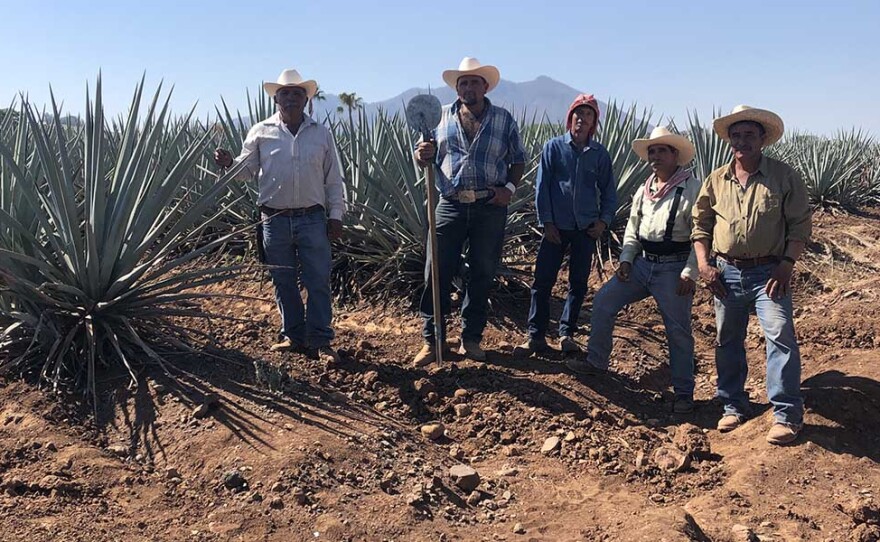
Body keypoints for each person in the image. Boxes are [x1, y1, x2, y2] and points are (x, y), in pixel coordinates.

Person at [692, 105, 812, 445]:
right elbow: (700, 225)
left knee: (779, 334)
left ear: (762, 139)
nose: (742, 141)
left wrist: (787, 263)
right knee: (727, 340)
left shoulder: (783, 176)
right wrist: (704, 264)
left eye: (749, 135)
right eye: (736, 135)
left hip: (769, 273)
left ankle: (787, 415)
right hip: (726, 272)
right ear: (729, 140)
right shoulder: (716, 180)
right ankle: (733, 405)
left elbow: (800, 224)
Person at [214, 69, 345, 362]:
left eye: (297, 93)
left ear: (305, 98)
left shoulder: (321, 134)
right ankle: (293, 335)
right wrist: (228, 164)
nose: (290, 98)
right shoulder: (261, 131)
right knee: (283, 280)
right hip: (273, 219)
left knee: (318, 280)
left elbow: (333, 178)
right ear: (276, 99)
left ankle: (321, 339)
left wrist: (336, 214)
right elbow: (245, 172)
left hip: (313, 217)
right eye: (284, 93)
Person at [567, 127, 699, 414]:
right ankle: (596, 362)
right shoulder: (644, 190)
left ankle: (684, 392)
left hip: (673, 268)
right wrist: (626, 259)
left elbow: (701, 236)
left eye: (661, 150)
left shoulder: (692, 188)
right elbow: (632, 229)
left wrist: (690, 272)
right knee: (603, 301)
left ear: (675, 155)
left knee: (677, 331)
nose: (655, 156)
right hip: (642, 265)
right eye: (652, 151)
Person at [412, 57, 527, 366]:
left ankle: (471, 338)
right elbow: (423, 159)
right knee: (436, 271)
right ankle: (432, 339)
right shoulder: (438, 119)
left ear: (485, 86)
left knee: (482, 272)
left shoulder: (503, 119)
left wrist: (510, 190)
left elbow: (518, 158)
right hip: (449, 204)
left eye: (474, 82)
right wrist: (421, 155)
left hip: (489, 206)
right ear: (457, 87)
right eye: (463, 82)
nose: (468, 87)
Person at [514, 94, 616, 356]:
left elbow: (609, 191)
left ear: (594, 122)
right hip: (555, 227)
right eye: (577, 114)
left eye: (588, 115)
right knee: (542, 282)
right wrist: (546, 222)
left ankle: (566, 334)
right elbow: (542, 187)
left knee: (578, 283)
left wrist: (603, 221)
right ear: (570, 118)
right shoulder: (553, 147)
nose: (582, 119)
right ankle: (535, 335)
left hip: (585, 228)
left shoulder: (599, 155)